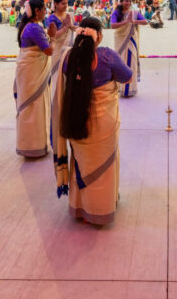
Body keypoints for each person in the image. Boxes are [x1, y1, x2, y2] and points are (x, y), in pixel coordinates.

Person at [51, 18, 133, 226]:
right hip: (104, 123)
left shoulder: (68, 57)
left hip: (75, 120)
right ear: (100, 36)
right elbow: (128, 77)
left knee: (81, 162)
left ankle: (81, 208)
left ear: (78, 34)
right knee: (104, 167)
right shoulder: (106, 55)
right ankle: (102, 208)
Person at [14, 0, 53, 158]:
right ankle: (35, 145)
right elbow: (48, 51)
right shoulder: (34, 28)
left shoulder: (28, 26)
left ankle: (27, 145)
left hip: (27, 72)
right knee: (35, 107)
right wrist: (53, 36)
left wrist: (50, 35)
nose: (46, 12)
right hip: (33, 74)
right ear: (37, 11)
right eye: (44, 9)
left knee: (28, 108)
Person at [110, 0, 146, 98]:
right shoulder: (116, 13)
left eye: (130, 1)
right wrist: (126, 22)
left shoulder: (134, 13)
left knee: (132, 64)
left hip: (131, 41)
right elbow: (112, 25)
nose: (128, 3)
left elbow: (144, 22)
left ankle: (131, 89)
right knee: (122, 63)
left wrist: (134, 21)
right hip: (121, 41)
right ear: (121, 2)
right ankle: (121, 89)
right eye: (126, 1)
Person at [46, 0, 75, 84]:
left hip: (68, 50)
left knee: (68, 76)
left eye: (66, 3)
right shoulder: (52, 18)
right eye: (63, 3)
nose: (66, 6)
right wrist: (65, 27)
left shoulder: (69, 15)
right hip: (57, 51)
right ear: (56, 4)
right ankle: (56, 97)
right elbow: (52, 35)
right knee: (57, 77)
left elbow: (74, 27)